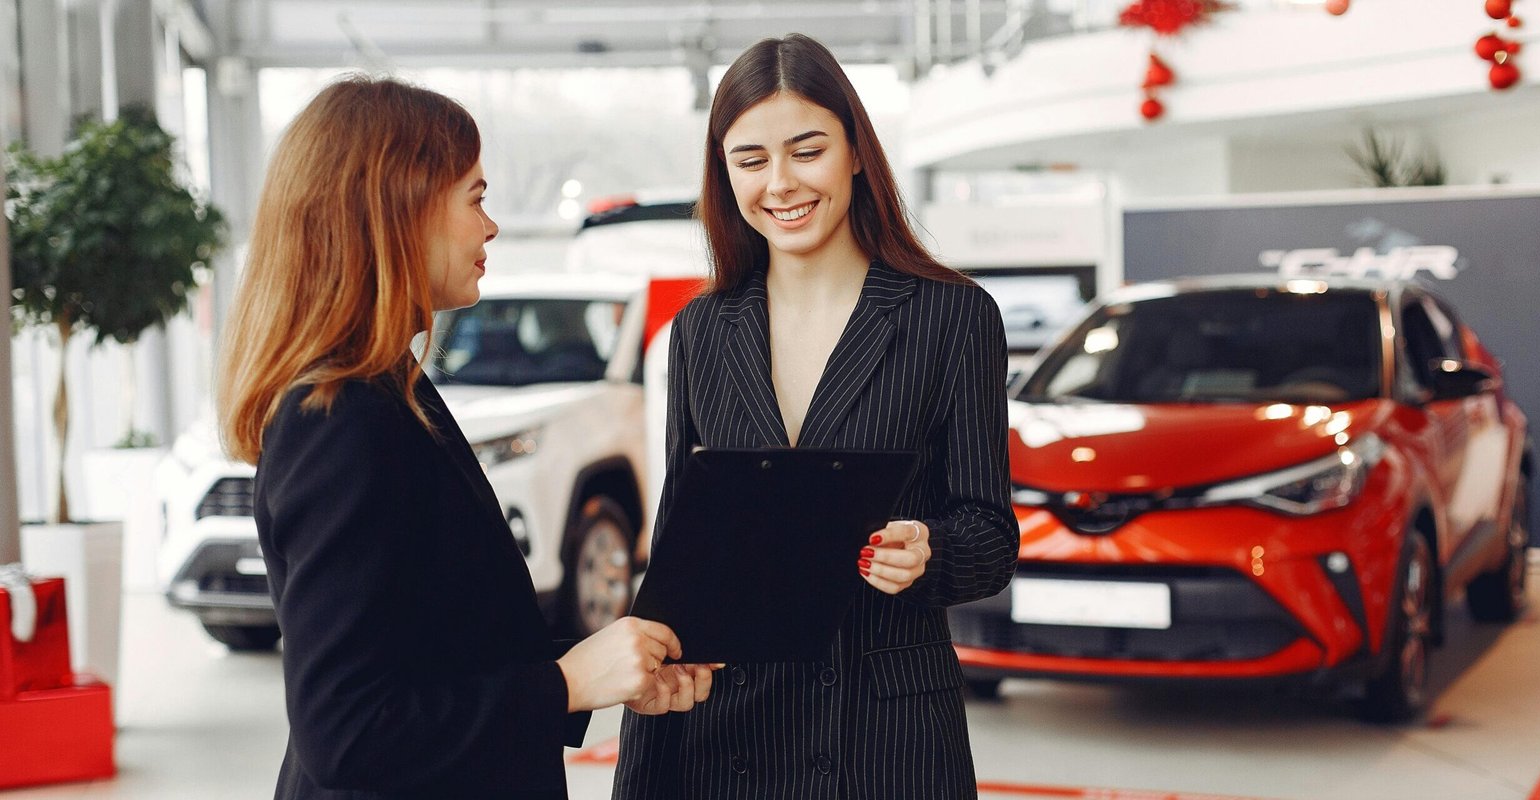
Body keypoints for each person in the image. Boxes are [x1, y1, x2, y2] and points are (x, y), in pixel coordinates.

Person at [216, 76, 715, 800]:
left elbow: (438, 647)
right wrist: (565, 684)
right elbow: (348, 731)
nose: (491, 227)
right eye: (475, 197)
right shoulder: (341, 421)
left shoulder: (391, 391)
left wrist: (602, 668)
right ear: (398, 208)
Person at [613, 34, 1019, 800]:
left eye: (807, 150)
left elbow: (991, 534)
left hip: (885, 736)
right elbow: (683, 547)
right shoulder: (703, 329)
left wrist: (930, 550)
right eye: (751, 160)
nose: (781, 183)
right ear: (723, 171)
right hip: (726, 730)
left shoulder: (952, 316)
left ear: (857, 153)